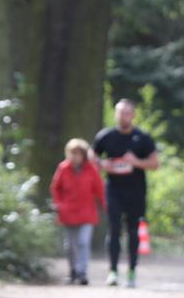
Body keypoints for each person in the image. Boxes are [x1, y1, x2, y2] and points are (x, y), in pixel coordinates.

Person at [92, 99, 159, 287]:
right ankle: (112, 272)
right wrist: (103, 164)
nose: (123, 116)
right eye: (120, 112)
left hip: (136, 191)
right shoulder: (105, 136)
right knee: (113, 229)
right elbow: (92, 157)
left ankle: (131, 272)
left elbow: (155, 163)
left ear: (133, 115)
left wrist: (135, 162)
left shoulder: (142, 138)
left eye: (127, 113)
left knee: (133, 231)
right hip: (113, 189)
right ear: (115, 114)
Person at [50, 138, 106, 286]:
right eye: (72, 153)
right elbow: (55, 188)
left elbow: (99, 190)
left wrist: (105, 206)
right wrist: (59, 205)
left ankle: (82, 272)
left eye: (78, 153)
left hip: (87, 213)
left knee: (83, 242)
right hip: (67, 213)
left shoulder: (92, 170)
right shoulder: (63, 168)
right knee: (69, 245)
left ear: (83, 155)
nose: (74, 156)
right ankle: (73, 271)